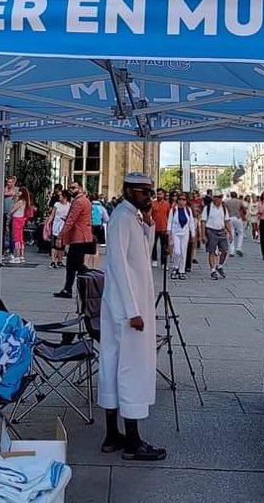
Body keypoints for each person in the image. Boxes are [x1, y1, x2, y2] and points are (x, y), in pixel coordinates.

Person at [98, 172, 166, 461]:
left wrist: (149, 225)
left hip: (126, 306)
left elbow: (140, 257)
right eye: (143, 193)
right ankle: (133, 441)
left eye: (150, 193)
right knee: (130, 369)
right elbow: (117, 266)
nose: (148, 198)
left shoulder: (133, 216)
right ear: (127, 190)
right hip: (127, 308)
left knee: (114, 366)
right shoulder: (122, 219)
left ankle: (113, 435)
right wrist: (133, 311)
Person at [54, 181, 93, 299]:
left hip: (78, 237)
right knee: (75, 264)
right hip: (83, 236)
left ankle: (76, 287)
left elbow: (71, 220)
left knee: (74, 265)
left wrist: (60, 236)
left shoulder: (79, 202)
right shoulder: (85, 200)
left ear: (80, 188)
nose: (71, 190)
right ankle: (72, 289)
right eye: (70, 187)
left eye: (74, 187)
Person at [201, 191, 232, 279]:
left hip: (221, 231)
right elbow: (203, 222)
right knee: (212, 251)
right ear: (213, 198)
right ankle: (213, 270)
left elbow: (226, 221)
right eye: (216, 197)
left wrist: (230, 233)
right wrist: (203, 235)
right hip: (211, 231)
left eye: (220, 197)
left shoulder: (224, 208)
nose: (218, 199)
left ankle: (220, 266)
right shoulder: (208, 208)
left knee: (225, 250)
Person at [167, 193, 196, 280]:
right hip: (176, 232)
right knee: (177, 252)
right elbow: (169, 221)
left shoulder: (188, 210)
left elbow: (191, 222)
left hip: (185, 233)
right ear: (177, 200)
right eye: (180, 199)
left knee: (184, 252)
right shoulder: (173, 210)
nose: (182, 201)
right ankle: (175, 267)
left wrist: (193, 233)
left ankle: (181, 270)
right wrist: (169, 232)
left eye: (184, 200)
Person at [45, 190, 71, 270]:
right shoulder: (57, 204)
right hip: (56, 225)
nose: (59, 197)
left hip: (64, 226)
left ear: (65, 197)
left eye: (61, 196)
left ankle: (60, 260)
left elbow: (70, 216)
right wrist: (48, 223)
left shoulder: (69, 205)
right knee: (54, 244)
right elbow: (52, 214)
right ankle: (53, 261)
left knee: (62, 244)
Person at [10, 187, 32, 264]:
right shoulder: (25, 201)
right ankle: (21, 256)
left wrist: (14, 202)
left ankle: (17, 256)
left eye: (19, 191)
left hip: (16, 219)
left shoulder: (20, 202)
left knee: (16, 238)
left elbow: (12, 210)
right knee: (20, 238)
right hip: (21, 219)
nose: (17, 192)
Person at [150, 188, 170, 268]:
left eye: (161, 194)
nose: (159, 195)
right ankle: (154, 259)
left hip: (164, 227)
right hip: (154, 227)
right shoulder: (153, 203)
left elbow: (169, 216)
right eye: (158, 194)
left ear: (164, 195)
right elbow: (150, 214)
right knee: (153, 244)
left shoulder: (167, 204)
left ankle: (163, 262)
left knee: (163, 246)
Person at [89, 193, 109, 270]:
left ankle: (87, 265)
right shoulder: (102, 208)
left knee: (88, 248)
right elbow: (106, 219)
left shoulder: (89, 207)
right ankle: (94, 267)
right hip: (98, 228)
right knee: (96, 248)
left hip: (89, 227)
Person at [224, 192, 245, 257]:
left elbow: (224, 210)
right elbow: (243, 209)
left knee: (231, 234)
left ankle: (232, 251)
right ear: (236, 195)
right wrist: (243, 216)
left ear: (231, 196)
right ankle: (239, 248)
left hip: (229, 218)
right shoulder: (239, 201)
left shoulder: (227, 202)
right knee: (240, 233)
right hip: (238, 218)